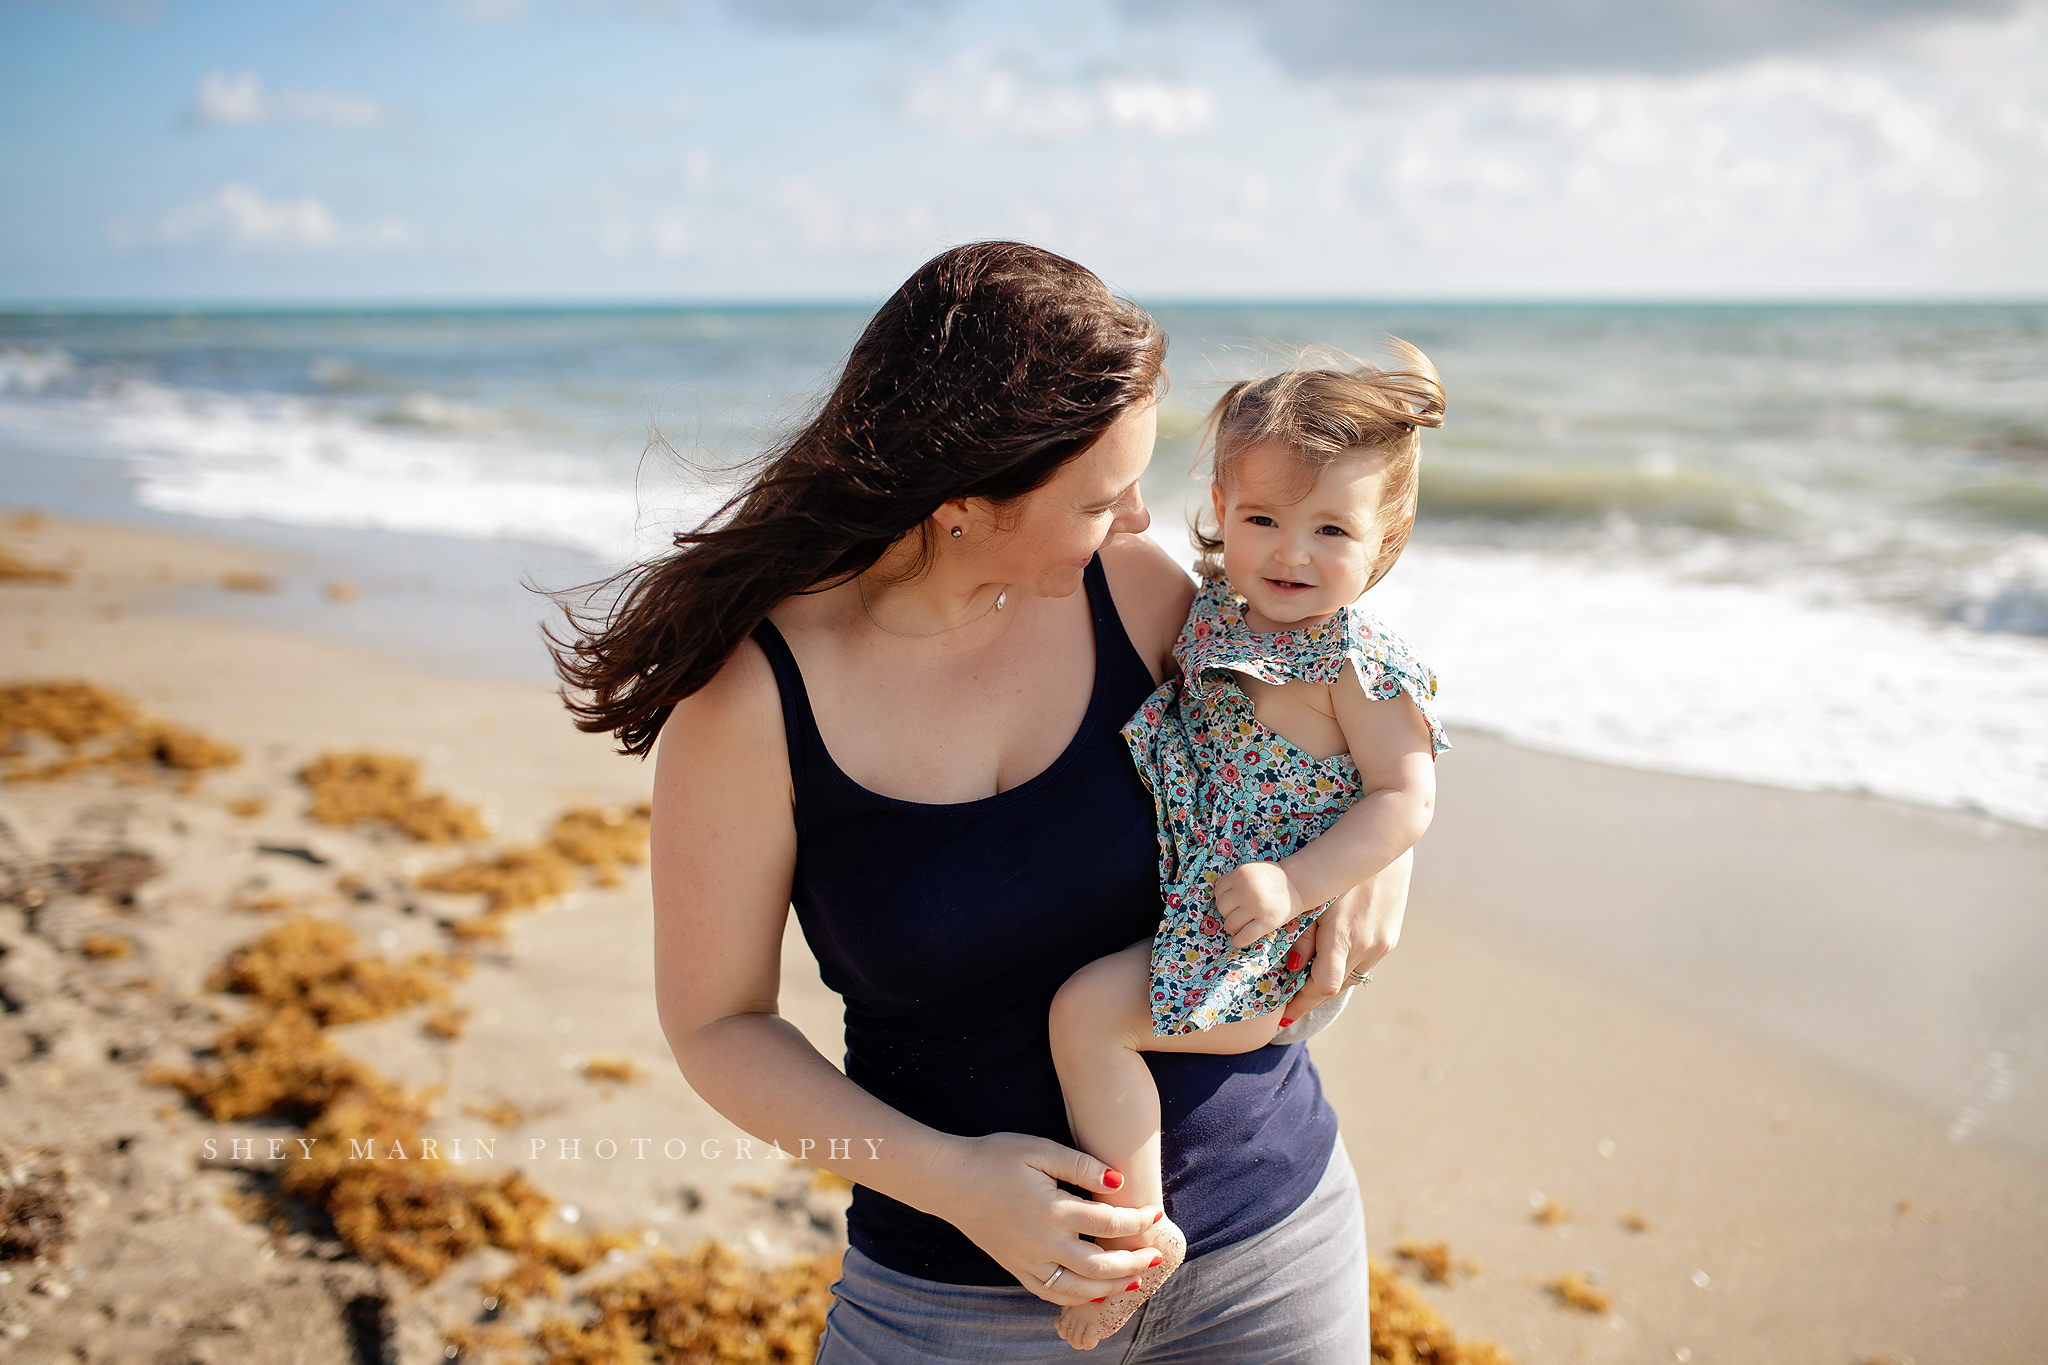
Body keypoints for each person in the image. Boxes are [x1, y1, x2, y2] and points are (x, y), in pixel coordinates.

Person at [553, 242, 1414, 1362]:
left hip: (1268, 1252)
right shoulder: (752, 702)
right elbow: (717, 1026)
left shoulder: (1133, 596)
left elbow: (1344, 718)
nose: (1143, 525)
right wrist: (956, 1182)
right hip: (948, 1301)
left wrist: (1378, 862)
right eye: (1104, 498)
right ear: (962, 505)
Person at [1045, 352, 1450, 1350]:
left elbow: (1406, 795)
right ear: (1220, 505)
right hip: (1214, 898)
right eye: (1263, 519)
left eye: (1331, 530)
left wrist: (1295, 882)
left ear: (1385, 539)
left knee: (1087, 1019)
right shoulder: (1211, 612)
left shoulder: (1356, 665)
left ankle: (1134, 1247)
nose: (1291, 554)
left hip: (1265, 944)